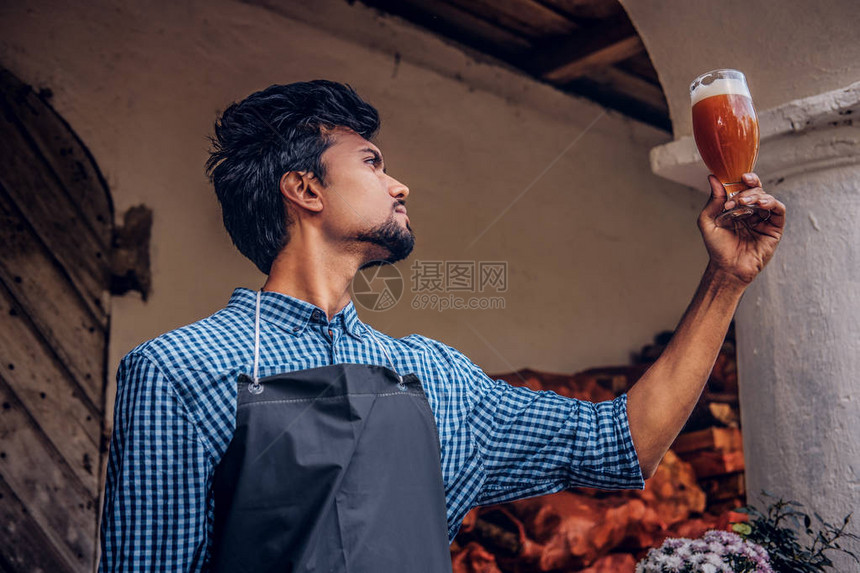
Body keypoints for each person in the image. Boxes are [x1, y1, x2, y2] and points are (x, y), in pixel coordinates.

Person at [98, 80, 785, 572]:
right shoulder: (177, 371)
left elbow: (621, 445)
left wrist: (726, 280)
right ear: (304, 189)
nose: (399, 185)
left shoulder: (437, 375)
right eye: (372, 162)